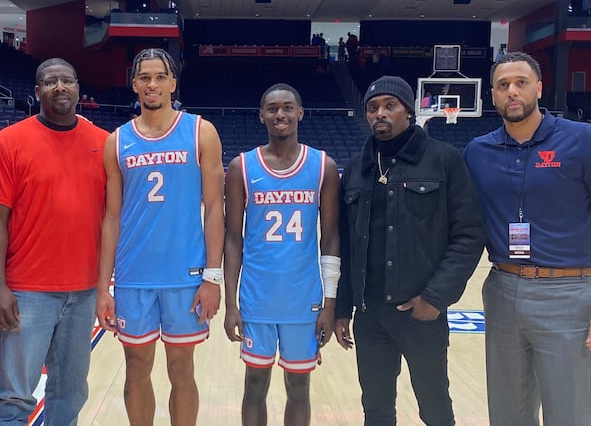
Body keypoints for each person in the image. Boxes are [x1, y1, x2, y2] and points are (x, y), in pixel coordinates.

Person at [463, 51, 591, 426]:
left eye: (520, 82)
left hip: (568, 293)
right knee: (507, 414)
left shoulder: (583, 140)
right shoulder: (477, 152)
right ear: (492, 95)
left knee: (568, 414)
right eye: (503, 85)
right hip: (502, 288)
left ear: (539, 87)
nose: (512, 91)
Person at [334, 75, 486, 426]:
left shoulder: (444, 161)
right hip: (370, 315)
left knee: (434, 406)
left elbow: (468, 235)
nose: (379, 114)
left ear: (409, 111)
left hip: (422, 313)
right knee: (375, 408)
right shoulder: (357, 169)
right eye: (372, 108)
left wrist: (435, 298)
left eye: (390, 106)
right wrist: (343, 308)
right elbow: (343, 244)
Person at [96, 48, 224, 426]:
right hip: (134, 275)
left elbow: (216, 208)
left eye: (159, 77)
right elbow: (112, 216)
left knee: (181, 369)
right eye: (144, 77)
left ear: (172, 82)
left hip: (185, 275)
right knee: (136, 368)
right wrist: (104, 288)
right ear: (133, 83)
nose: (152, 84)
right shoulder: (116, 141)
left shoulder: (201, 131)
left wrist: (212, 277)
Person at [0, 58, 109, 425]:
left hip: (83, 290)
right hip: (26, 291)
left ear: (78, 89)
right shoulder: (9, 142)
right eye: (49, 81)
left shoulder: (103, 144)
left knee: (70, 393)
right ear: (37, 91)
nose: (59, 87)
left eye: (66, 80)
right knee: (13, 396)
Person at [223, 83, 340, 425]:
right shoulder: (241, 167)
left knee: (299, 386)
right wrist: (231, 305)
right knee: (255, 384)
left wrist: (330, 303)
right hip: (257, 299)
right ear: (261, 116)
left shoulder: (323, 166)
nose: (280, 114)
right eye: (272, 108)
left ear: (300, 113)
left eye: (288, 107)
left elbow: (330, 238)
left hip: (304, 300)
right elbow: (232, 240)